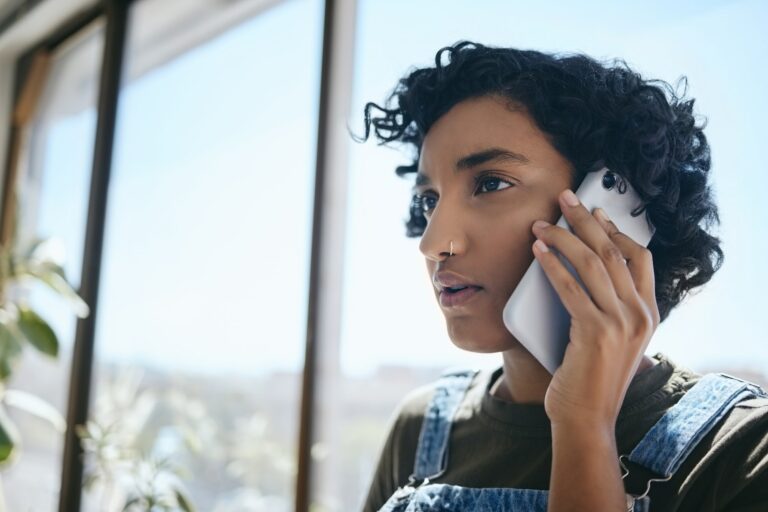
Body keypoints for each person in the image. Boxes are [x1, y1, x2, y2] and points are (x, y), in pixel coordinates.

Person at [353, 41, 768, 511]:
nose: (433, 243)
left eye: (490, 183)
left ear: (611, 211)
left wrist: (584, 424)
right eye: (430, 200)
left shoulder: (743, 450)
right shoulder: (420, 427)